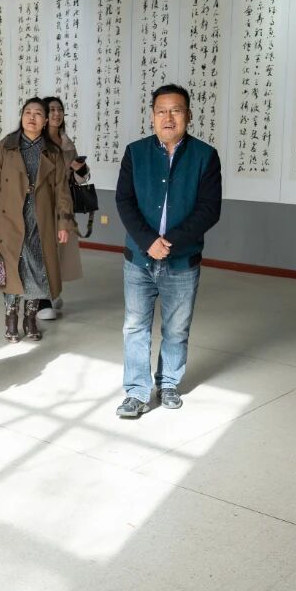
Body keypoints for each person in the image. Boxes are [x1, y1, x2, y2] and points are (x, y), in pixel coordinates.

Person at [114, 83, 221, 418]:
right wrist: (149, 241)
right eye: (161, 111)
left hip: (182, 260)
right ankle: (136, 391)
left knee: (176, 328)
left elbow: (209, 210)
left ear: (188, 115)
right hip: (139, 258)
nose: (168, 117)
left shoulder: (205, 156)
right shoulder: (135, 152)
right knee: (135, 327)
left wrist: (169, 242)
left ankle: (169, 383)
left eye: (176, 110)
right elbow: (124, 201)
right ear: (152, 116)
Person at [0, 98, 74, 342]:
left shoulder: (52, 152)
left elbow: (62, 191)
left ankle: (30, 319)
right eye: (27, 112)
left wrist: (64, 223)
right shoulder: (6, 146)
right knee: (13, 270)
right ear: (21, 117)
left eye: (38, 113)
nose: (32, 117)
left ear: (45, 121)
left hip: (40, 222)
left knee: (38, 270)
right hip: (9, 220)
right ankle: (11, 319)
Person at [38, 96, 90, 320]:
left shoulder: (67, 143)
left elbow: (79, 178)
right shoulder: (35, 142)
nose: (57, 113)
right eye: (51, 109)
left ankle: (52, 292)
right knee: (41, 250)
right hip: (40, 204)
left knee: (59, 250)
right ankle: (41, 301)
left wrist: (80, 168)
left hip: (63, 204)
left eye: (60, 109)